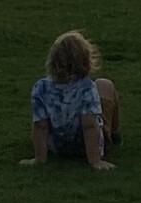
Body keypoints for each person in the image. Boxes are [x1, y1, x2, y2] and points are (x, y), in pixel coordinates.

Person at [20, 30, 121, 170]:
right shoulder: (87, 88)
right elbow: (89, 125)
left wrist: (39, 159)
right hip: (85, 146)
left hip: (57, 146)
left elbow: (40, 126)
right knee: (105, 85)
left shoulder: (41, 87)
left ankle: (41, 157)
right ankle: (115, 135)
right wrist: (95, 161)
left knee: (101, 87)